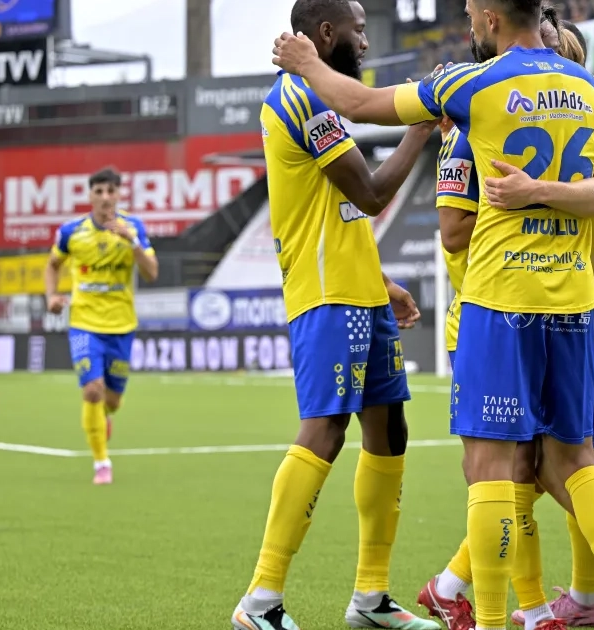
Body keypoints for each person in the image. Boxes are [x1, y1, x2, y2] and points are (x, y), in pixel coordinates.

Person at [271, 2, 594, 629]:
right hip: (573, 303)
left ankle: (493, 617)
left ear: (489, 16)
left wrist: (305, 63)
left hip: (499, 301)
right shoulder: (589, 87)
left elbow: (361, 106)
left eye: (472, 9)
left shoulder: (470, 85)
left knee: (492, 469)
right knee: (574, 460)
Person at [419, 18, 594, 630]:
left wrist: (528, 193)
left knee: (545, 464)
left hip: (579, 318)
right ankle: (585, 600)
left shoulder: (547, 127)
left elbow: (455, 232)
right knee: (580, 465)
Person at [232, 2, 439, 630]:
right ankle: (260, 600)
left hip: (359, 292)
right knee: (324, 429)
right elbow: (369, 195)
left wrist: (381, 282)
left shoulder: (318, 97)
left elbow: (337, 212)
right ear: (326, 34)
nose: (366, 41)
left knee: (389, 429)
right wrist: (418, 132)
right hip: (327, 296)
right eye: (358, 30)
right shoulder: (300, 97)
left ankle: (370, 598)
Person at [44, 167, 159, 486]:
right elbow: (52, 265)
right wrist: (51, 296)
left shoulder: (133, 228)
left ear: (119, 194)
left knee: (112, 401)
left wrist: (132, 242)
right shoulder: (71, 232)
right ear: (90, 195)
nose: (105, 197)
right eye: (99, 191)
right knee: (92, 390)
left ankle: (103, 418)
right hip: (84, 323)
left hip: (121, 325)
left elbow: (152, 272)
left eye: (111, 191)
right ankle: (101, 463)